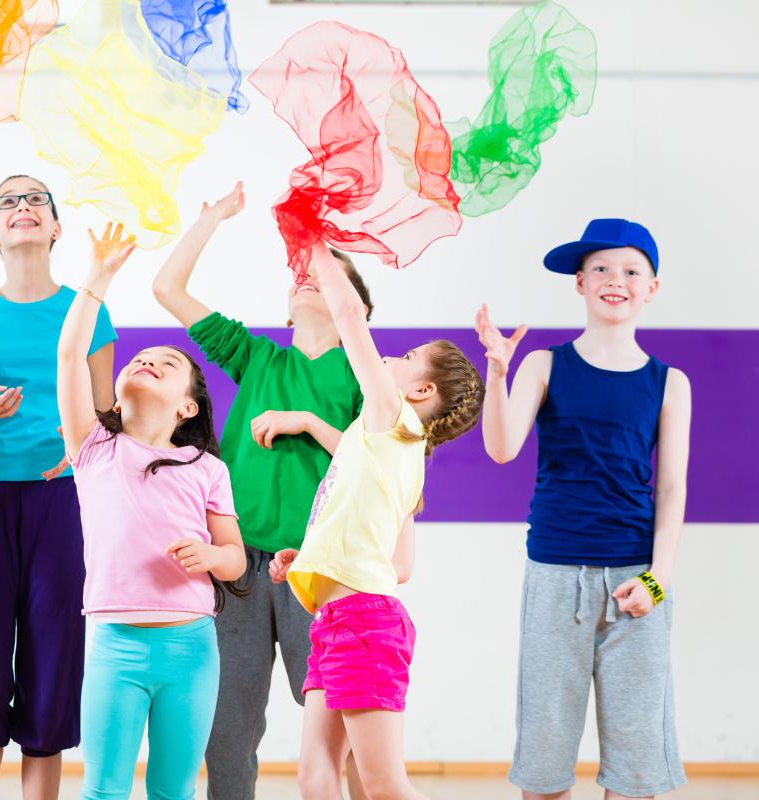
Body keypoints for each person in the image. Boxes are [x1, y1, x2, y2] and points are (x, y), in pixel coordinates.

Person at [152, 182, 376, 800]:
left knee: (348, 727)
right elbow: (167, 289)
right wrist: (213, 217)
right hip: (239, 567)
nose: (310, 275)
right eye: (303, 270)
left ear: (354, 306)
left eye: (329, 273)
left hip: (321, 567)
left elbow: (381, 466)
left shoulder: (367, 377)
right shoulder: (256, 358)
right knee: (228, 729)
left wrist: (309, 424)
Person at [476, 219, 691, 800]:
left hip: (635, 582)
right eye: (600, 268)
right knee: (544, 763)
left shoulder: (670, 383)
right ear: (579, 282)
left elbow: (672, 491)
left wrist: (657, 580)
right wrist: (497, 373)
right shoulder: (544, 365)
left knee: (637, 763)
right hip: (555, 579)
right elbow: (501, 448)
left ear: (652, 286)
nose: (614, 280)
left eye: (630, 270)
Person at [269, 242, 485, 800]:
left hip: (362, 624)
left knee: (384, 783)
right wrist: (312, 556)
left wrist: (315, 243)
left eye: (409, 355)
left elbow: (348, 315)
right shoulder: (394, 454)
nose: (392, 356)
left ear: (420, 391)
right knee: (315, 773)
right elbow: (400, 565)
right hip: (341, 619)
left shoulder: (392, 418)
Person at [0, 175, 116, 800]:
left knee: (51, 674)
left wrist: (81, 455)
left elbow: (108, 417)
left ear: (56, 227)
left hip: (64, 502)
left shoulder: (89, 311)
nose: (22, 207)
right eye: (6, 202)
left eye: (35, 199)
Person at [58, 222, 247, 800]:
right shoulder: (93, 448)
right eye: (141, 358)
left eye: (167, 363)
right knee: (104, 789)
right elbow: (69, 353)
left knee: (173, 790)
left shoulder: (209, 468)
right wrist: (98, 277)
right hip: (114, 643)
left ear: (188, 403)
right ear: (115, 392)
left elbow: (236, 562)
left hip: (192, 650)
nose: (148, 361)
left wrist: (211, 555)